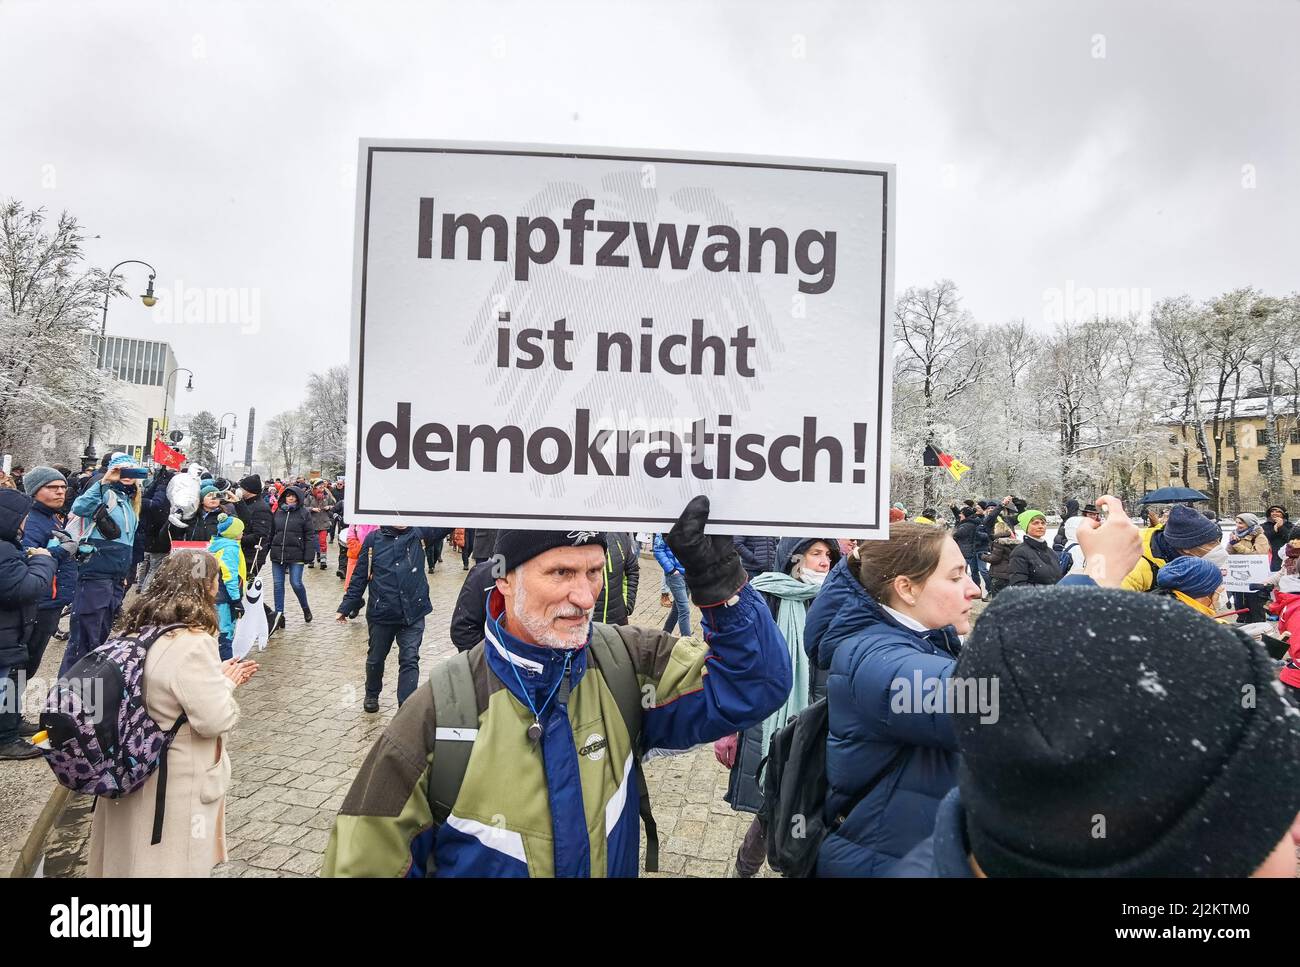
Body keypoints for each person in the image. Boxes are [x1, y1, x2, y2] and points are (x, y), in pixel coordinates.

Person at [322, 497, 791, 877]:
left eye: (592, 572)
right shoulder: (438, 716)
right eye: (561, 573)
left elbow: (756, 684)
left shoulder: (626, 663)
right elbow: (361, 862)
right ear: (504, 578)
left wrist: (720, 584)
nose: (586, 597)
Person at [891, 500, 1300, 878]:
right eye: (1274, 800)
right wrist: (1098, 574)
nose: (975, 588)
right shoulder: (881, 660)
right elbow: (1015, 684)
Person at [803, 520, 981, 876]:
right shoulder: (870, 657)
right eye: (956, 576)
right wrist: (1095, 580)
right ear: (907, 589)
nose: (974, 589)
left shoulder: (921, 639)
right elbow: (982, 703)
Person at [85, 550, 257, 877]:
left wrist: (212, 676)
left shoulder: (137, 629)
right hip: (170, 780)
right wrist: (226, 683)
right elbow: (213, 719)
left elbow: (166, 686)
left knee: (127, 859)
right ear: (206, 585)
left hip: (128, 764)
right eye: (216, 581)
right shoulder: (193, 641)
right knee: (167, 863)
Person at [717, 535, 840, 877]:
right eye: (816, 553)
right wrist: (729, 726)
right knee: (776, 797)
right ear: (794, 559)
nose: (825, 561)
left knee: (794, 798)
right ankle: (750, 867)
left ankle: (766, 866)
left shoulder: (832, 600)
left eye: (828, 555)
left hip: (819, 715)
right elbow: (741, 660)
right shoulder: (764, 594)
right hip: (773, 717)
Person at [61, 454, 156, 676]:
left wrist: (123, 575)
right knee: (85, 637)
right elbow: (80, 506)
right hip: (95, 573)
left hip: (114, 577)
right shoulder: (105, 491)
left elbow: (127, 542)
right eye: (122, 470)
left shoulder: (131, 501)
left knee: (100, 636)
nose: (128, 476)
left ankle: (88, 690)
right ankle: (67, 694)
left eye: (132, 471)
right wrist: (105, 481)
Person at [336, 523, 431, 711]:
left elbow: (447, 521)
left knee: (410, 658)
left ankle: (406, 707)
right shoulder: (373, 540)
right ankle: (371, 693)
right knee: (376, 658)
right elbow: (360, 575)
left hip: (413, 611)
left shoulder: (419, 534)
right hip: (382, 611)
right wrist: (347, 605)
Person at [12, 468, 76, 739]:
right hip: (37, 602)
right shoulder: (30, 519)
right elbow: (26, 557)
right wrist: (60, 551)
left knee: (30, 663)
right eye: (52, 487)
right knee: (21, 663)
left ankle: (11, 718)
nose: (60, 492)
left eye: (62, 487)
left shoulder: (50, 517)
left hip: (50, 601)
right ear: (34, 490)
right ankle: (6, 728)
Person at [0, 488, 60, 760]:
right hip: (6, 629)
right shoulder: (3, 549)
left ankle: (10, 726)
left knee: (13, 676)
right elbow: (25, 587)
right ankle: (5, 739)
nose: (26, 522)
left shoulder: (8, 545)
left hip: (11, 629)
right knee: (7, 678)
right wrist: (43, 560)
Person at [1119, 503, 1223, 593]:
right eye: (1212, 543)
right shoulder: (1134, 569)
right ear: (1186, 548)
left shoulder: (1175, 550)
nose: (1218, 548)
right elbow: (1112, 609)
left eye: (1218, 541)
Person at [267, 484, 314, 630]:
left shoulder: (304, 513)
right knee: (278, 585)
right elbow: (272, 533)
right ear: (284, 498)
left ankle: (305, 608)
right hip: (278, 554)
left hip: (297, 554)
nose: (291, 498)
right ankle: (279, 616)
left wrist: (309, 554)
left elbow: (310, 535)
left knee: (296, 583)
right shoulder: (278, 512)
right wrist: (266, 550)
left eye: (293, 496)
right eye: (288, 496)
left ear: (298, 498)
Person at [208, 514, 247, 661]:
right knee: (226, 630)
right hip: (225, 596)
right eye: (240, 530)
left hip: (220, 594)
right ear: (233, 533)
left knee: (222, 627)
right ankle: (226, 660)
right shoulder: (230, 548)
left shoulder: (219, 543)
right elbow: (229, 575)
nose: (242, 533)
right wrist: (236, 599)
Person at [1154, 554, 1227, 620]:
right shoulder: (1199, 626)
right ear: (1202, 593)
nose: (1221, 589)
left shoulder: (1157, 606)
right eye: (1217, 588)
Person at [1227, 513, 1271, 622]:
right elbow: (1229, 553)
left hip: (1254, 577)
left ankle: (1258, 628)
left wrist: (1237, 545)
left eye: (1241, 523)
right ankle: (1243, 626)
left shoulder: (1259, 536)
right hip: (1239, 577)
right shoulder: (1236, 534)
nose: (1238, 525)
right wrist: (1231, 543)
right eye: (1236, 522)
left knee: (1255, 606)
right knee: (1240, 605)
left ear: (1249, 523)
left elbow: (1258, 555)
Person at [593, 531, 640, 626]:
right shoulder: (578, 535)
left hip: (618, 619)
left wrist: (627, 603)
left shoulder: (620, 534)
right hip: (586, 622)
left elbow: (632, 569)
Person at [1007, 509, 1062, 587]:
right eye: (1035, 523)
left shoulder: (1051, 552)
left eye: (1043, 523)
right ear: (1026, 526)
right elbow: (1019, 585)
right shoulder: (1020, 553)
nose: (1040, 526)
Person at [234, 474, 273, 577]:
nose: (240, 490)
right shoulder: (246, 504)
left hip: (251, 557)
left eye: (242, 488)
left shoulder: (261, 508)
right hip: (243, 554)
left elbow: (260, 536)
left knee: (245, 586)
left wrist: (240, 539)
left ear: (248, 490)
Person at [654, 532, 691, 635]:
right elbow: (658, 550)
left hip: (689, 573)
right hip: (675, 575)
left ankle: (664, 634)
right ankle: (687, 642)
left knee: (677, 608)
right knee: (684, 609)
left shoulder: (689, 524)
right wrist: (672, 570)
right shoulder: (665, 526)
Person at [980, 518, 1018, 598]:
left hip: (999, 574)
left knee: (997, 597)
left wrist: (983, 556)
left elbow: (995, 558)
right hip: (1010, 573)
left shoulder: (999, 542)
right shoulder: (1014, 542)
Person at [951, 507, 985, 594]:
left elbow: (956, 534)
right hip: (971, 550)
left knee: (964, 573)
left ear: (965, 515)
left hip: (965, 552)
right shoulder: (972, 523)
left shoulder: (966, 525)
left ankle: (966, 590)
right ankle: (977, 590)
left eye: (961, 514)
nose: (960, 515)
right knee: (974, 572)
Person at [1263, 505, 1293, 571]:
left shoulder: (1290, 525)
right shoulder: (1264, 526)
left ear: (1283, 514)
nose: (1274, 513)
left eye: (1278, 511)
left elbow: (1291, 539)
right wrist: (1274, 530)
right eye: (1272, 511)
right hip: (1270, 557)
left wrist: (1281, 527)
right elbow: (1263, 539)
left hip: (1285, 556)